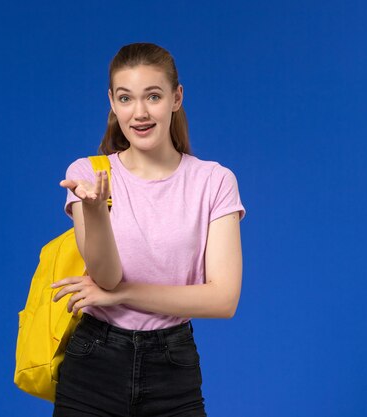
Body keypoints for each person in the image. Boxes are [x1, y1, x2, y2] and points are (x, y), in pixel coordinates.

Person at [51, 42, 245, 417]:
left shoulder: (214, 181)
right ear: (112, 102)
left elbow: (223, 300)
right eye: (125, 98)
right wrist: (96, 213)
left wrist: (124, 295)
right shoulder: (88, 175)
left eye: (152, 96)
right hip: (93, 363)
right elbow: (105, 278)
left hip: (172, 367)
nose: (139, 113)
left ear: (176, 97)